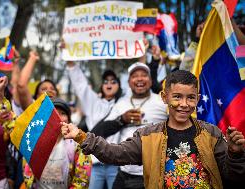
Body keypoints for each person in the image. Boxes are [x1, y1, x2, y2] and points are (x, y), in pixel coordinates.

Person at [61, 70, 245, 189]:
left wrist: (235, 154)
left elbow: (231, 177)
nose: (184, 104)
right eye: (177, 97)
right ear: (165, 98)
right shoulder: (148, 136)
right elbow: (114, 154)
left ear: (197, 99)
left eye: (190, 98)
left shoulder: (212, 134)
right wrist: (81, 136)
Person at [90, 62, 168, 189]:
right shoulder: (121, 103)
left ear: (150, 79)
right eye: (134, 76)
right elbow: (98, 131)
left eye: (144, 75)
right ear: (129, 81)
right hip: (124, 175)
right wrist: (122, 120)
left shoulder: (162, 102)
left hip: (154, 176)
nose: (139, 79)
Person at [66, 60, 123, 189]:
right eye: (106, 81)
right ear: (101, 86)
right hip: (95, 163)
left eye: (113, 81)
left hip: (115, 164)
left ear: (119, 85)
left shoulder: (124, 104)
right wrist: (70, 63)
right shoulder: (93, 103)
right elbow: (81, 85)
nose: (109, 84)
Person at [21, 98, 92, 189]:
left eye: (63, 113)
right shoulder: (34, 143)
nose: (58, 117)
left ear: (68, 119)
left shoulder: (77, 145)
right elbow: (27, 171)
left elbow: (82, 179)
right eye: (54, 113)